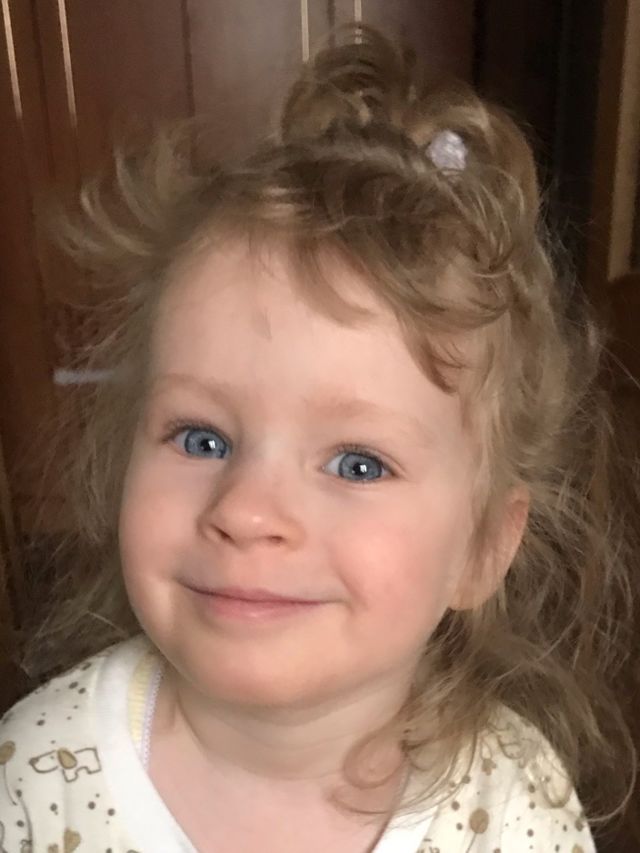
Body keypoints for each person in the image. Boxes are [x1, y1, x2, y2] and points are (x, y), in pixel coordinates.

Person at [0, 25, 636, 853]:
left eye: (357, 462)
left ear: (483, 546)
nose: (246, 511)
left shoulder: (515, 802)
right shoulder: (34, 776)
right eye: (200, 438)